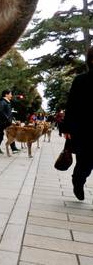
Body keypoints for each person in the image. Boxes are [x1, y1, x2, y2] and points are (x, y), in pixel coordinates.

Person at [63, 46, 93, 201]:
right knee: (85, 164)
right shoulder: (81, 80)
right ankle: (78, 181)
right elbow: (71, 106)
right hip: (85, 131)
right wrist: (67, 128)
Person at [0, 89, 19, 154]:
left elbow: (8, 113)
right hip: (3, 122)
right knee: (2, 134)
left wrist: (12, 119)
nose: (11, 95)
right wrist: (7, 118)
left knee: (8, 134)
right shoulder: (2, 102)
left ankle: (13, 148)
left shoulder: (6, 102)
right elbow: (1, 112)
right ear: (6, 94)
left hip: (6, 121)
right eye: (10, 94)